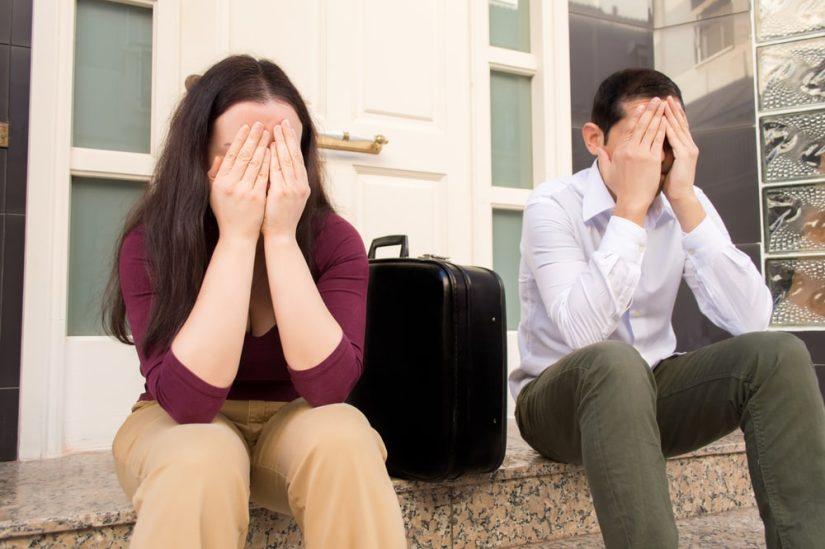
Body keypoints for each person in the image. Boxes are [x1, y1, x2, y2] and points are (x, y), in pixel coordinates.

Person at [511, 68, 825, 548]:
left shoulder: (684, 199)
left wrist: (682, 199)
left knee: (779, 353)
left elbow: (751, 319)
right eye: (643, 138)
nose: (657, 157)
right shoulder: (552, 205)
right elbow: (583, 333)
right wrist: (631, 210)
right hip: (556, 404)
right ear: (597, 139)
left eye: (670, 139)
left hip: (653, 392)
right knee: (615, 362)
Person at [104, 55, 406, 549]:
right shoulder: (151, 242)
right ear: (198, 155)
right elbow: (189, 402)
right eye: (240, 154)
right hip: (175, 422)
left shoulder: (334, 241)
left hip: (296, 420)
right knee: (199, 456)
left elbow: (330, 387)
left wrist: (281, 238)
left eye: (280, 153)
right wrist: (238, 240)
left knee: (345, 438)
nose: (263, 172)